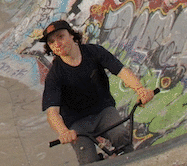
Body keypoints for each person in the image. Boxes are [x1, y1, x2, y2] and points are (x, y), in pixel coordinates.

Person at [41, 20, 154, 164]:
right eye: (51, 42)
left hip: (103, 111)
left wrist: (140, 90)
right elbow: (52, 112)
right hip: (77, 124)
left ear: (72, 35)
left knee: (120, 136)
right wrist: (63, 131)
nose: (57, 43)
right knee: (87, 159)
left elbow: (121, 71)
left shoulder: (94, 52)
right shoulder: (54, 75)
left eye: (61, 37)